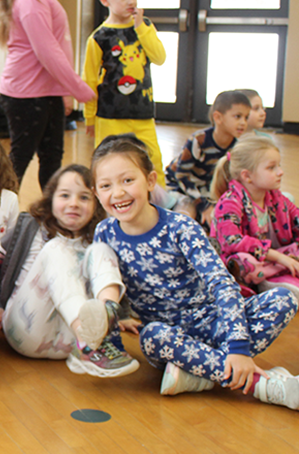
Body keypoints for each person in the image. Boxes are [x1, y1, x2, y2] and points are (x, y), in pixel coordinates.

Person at [92, 134, 299, 409]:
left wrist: (237, 346)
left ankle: (198, 371)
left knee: (285, 299)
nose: (117, 193)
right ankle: (262, 385)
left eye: (128, 181)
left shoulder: (181, 228)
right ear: (96, 193)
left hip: (213, 323)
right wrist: (121, 316)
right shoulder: (104, 233)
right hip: (168, 337)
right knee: (151, 336)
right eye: (106, 186)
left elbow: (222, 285)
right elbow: (104, 281)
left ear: (151, 181)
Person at [0, 164, 139, 377]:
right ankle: (88, 341)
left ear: (97, 204)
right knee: (57, 248)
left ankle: (105, 319)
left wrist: (122, 313)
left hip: (70, 343)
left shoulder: (101, 234)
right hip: (26, 331)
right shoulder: (29, 225)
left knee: (102, 249)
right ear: (50, 199)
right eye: (65, 195)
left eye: (84, 198)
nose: (74, 204)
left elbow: (113, 273)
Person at [0, 0, 96, 189]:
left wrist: (64, 92)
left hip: (47, 92)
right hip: (27, 94)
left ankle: (51, 215)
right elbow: (48, 52)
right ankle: (1, 214)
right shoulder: (31, 3)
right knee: (20, 159)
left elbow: (60, 46)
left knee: (52, 158)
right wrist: (79, 90)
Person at [82, 0, 166, 184]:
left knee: (154, 163)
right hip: (110, 116)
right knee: (107, 162)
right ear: (105, 1)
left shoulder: (144, 26)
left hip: (142, 113)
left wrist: (140, 27)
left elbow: (159, 57)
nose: (130, 1)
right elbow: (89, 81)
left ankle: (161, 207)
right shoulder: (98, 37)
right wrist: (89, 117)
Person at [209, 136, 299, 298]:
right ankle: (267, 281)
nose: (281, 172)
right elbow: (233, 242)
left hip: (275, 257)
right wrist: (279, 258)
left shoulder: (276, 197)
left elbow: (296, 219)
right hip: (250, 261)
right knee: (243, 262)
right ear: (247, 176)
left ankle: (279, 275)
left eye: (279, 166)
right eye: (271, 168)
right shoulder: (229, 203)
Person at [165, 90, 251, 224]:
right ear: (218, 117)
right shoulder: (198, 141)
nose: (243, 123)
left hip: (206, 190)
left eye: (246, 117)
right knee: (187, 214)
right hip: (180, 186)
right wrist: (203, 205)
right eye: (237, 116)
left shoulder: (236, 148)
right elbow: (181, 176)